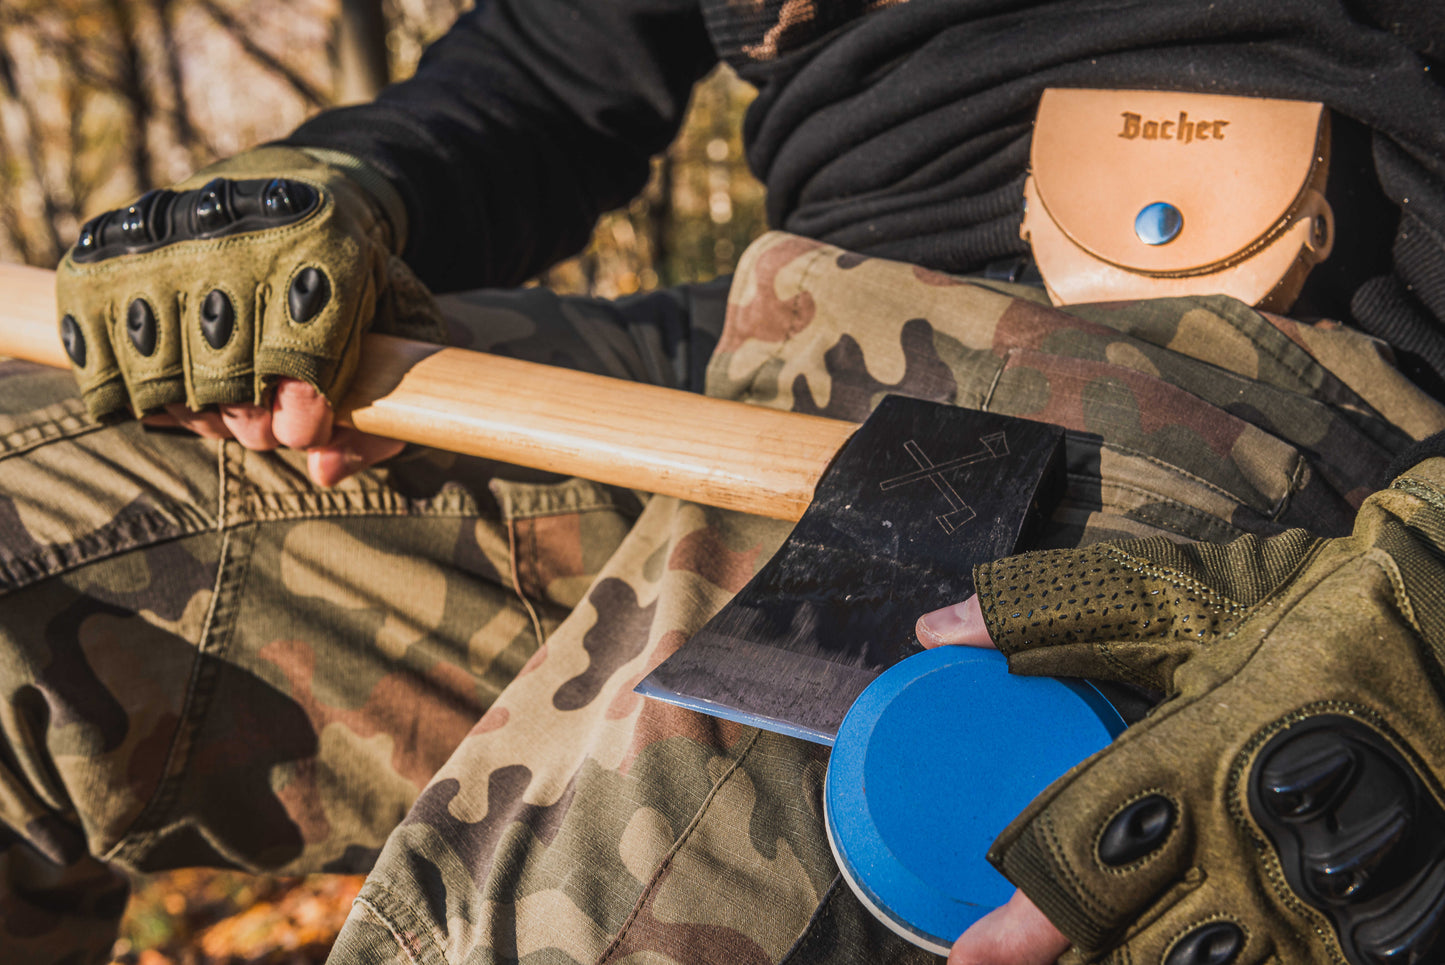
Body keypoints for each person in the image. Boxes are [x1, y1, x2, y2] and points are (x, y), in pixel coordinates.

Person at [7, 1, 1445, 963]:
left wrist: (1420, 593)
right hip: (763, 339)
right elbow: (549, 72)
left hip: (1241, 362)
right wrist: (338, 184)